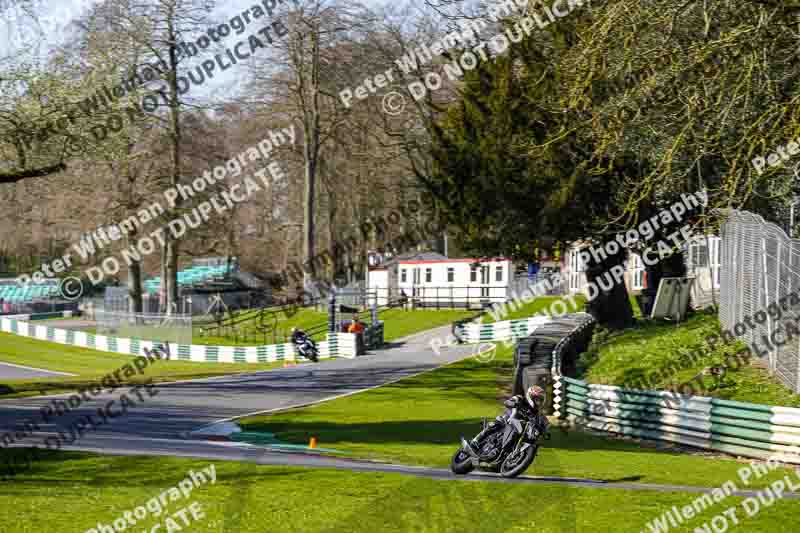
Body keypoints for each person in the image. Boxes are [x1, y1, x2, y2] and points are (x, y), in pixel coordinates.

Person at [467, 386, 549, 453]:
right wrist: (514, 403)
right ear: (531, 396)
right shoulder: (520, 398)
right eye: (537, 399)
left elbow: (541, 422)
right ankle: (475, 441)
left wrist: (544, 430)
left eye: (540, 400)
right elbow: (507, 402)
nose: (538, 402)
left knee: (527, 438)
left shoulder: (536, 413)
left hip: (519, 429)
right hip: (507, 420)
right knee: (497, 423)